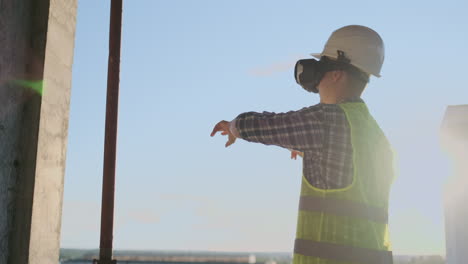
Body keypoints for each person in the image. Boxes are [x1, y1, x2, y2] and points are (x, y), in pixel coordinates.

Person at [211, 25, 395, 264]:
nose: (316, 81)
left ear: (336, 73)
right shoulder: (376, 136)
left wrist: (235, 126)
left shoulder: (328, 120)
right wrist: (310, 148)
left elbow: (275, 126)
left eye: (321, 67)